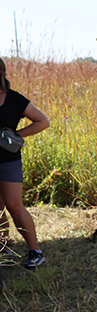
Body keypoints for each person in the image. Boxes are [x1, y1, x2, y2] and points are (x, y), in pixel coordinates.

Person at [0, 57, 50, 268]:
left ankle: (35, 251)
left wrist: (15, 135)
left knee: (14, 206)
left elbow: (42, 121)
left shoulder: (13, 99)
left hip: (8, 160)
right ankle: (3, 248)